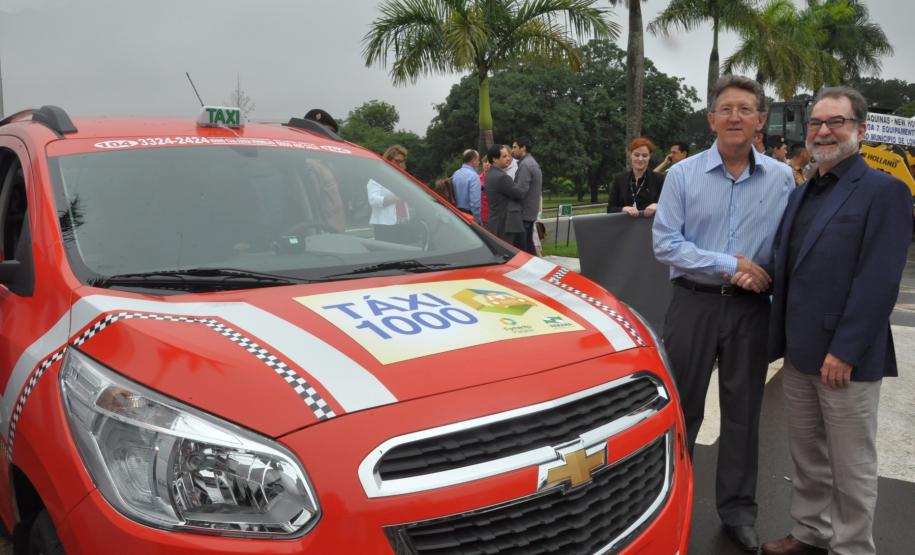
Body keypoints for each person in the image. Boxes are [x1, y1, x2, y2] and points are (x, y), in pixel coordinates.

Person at [730, 87, 911, 555]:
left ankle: (851, 547)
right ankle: (811, 533)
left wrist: (845, 350)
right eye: (816, 123)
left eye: (836, 122)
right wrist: (753, 272)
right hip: (799, 351)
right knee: (808, 457)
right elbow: (789, 261)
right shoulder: (804, 189)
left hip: (845, 358)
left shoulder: (884, 191)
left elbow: (878, 282)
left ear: (860, 130)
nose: (823, 131)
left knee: (851, 465)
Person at [652, 75, 794, 553]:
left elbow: (785, 244)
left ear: (760, 120)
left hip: (751, 311)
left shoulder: (779, 179)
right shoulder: (683, 175)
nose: (735, 117)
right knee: (682, 411)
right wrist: (731, 265)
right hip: (693, 304)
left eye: (745, 109)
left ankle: (738, 511)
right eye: (726, 109)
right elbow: (666, 243)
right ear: (711, 119)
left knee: (742, 415)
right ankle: (671, 504)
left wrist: (763, 275)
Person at [607, 137, 665, 217]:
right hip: (626, 228)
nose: (640, 159)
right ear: (630, 155)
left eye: (644, 155)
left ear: (649, 156)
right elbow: (610, 209)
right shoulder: (619, 179)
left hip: (651, 228)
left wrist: (657, 205)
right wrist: (624, 209)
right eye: (636, 155)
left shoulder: (660, 179)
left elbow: (668, 205)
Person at [485, 144, 525, 248]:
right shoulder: (502, 177)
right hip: (505, 224)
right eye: (504, 156)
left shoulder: (489, 174)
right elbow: (519, 194)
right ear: (494, 159)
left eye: (508, 155)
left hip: (495, 223)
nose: (508, 158)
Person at [511, 136, 542, 255]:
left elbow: (520, 191)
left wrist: (508, 191)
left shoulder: (525, 165)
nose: (512, 151)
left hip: (523, 214)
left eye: (515, 147)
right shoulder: (531, 163)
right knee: (529, 248)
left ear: (523, 148)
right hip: (529, 213)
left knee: (522, 252)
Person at [451, 149, 482, 223]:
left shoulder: (455, 174)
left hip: (456, 213)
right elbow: (475, 203)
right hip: (469, 215)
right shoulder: (474, 176)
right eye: (478, 160)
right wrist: (477, 220)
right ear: (473, 160)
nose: (479, 162)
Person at [479, 157, 491, 225]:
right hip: (480, 215)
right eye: (485, 162)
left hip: (491, 216)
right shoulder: (477, 178)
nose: (487, 164)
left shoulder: (495, 178)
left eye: (489, 162)